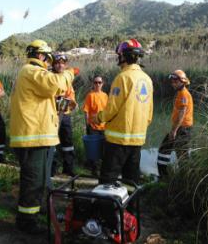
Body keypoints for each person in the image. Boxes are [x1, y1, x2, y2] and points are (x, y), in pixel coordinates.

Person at [10, 39, 76, 234]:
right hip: (32, 137)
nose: (48, 62)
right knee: (32, 181)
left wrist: (61, 104)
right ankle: (26, 222)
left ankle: (32, 213)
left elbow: (45, 97)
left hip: (36, 136)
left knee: (37, 180)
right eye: (47, 58)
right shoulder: (32, 71)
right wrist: (69, 74)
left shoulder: (32, 74)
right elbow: (54, 83)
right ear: (41, 56)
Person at [94, 39, 153, 184]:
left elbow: (112, 108)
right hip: (137, 140)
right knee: (131, 180)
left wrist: (98, 118)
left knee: (108, 180)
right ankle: (130, 206)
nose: (118, 58)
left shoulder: (122, 78)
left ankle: (106, 206)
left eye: (119, 55)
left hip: (117, 141)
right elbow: (150, 113)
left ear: (124, 56)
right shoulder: (147, 79)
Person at [157, 70, 193, 178]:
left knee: (181, 154)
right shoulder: (181, 93)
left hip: (183, 129)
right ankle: (166, 176)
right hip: (181, 129)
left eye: (175, 81)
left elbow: (181, 115)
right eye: (172, 81)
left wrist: (174, 131)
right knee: (171, 152)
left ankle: (185, 178)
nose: (173, 83)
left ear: (182, 81)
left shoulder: (183, 95)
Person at [51, 53, 78, 177]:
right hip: (52, 116)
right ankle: (52, 169)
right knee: (52, 143)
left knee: (68, 143)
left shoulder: (67, 79)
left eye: (63, 63)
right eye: (57, 63)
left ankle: (68, 168)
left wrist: (72, 103)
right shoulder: (49, 77)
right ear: (53, 64)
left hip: (65, 115)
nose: (60, 65)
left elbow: (71, 97)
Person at [82, 76, 108, 175]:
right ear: (93, 84)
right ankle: (94, 170)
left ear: (102, 83)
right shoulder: (90, 95)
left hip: (104, 127)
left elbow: (108, 111)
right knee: (94, 149)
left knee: (104, 149)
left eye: (99, 82)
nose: (97, 84)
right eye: (95, 82)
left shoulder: (105, 95)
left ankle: (102, 169)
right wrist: (87, 125)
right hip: (93, 127)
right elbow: (86, 111)